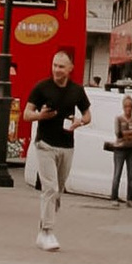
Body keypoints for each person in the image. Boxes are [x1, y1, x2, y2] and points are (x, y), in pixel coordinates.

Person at [25, 50, 88, 252]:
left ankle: (44, 226)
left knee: (58, 191)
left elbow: (87, 115)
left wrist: (80, 121)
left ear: (71, 68)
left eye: (61, 66)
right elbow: (27, 115)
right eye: (54, 65)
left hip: (66, 145)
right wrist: (41, 116)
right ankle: (47, 232)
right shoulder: (42, 87)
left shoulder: (77, 91)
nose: (57, 70)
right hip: (45, 144)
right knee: (50, 188)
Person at [106, 86, 132, 205]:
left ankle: (130, 199)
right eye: (126, 106)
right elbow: (118, 134)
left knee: (131, 175)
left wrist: (129, 134)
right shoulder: (119, 119)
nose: (128, 109)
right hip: (120, 149)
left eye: (130, 106)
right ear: (123, 107)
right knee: (117, 173)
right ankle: (114, 197)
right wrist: (129, 134)